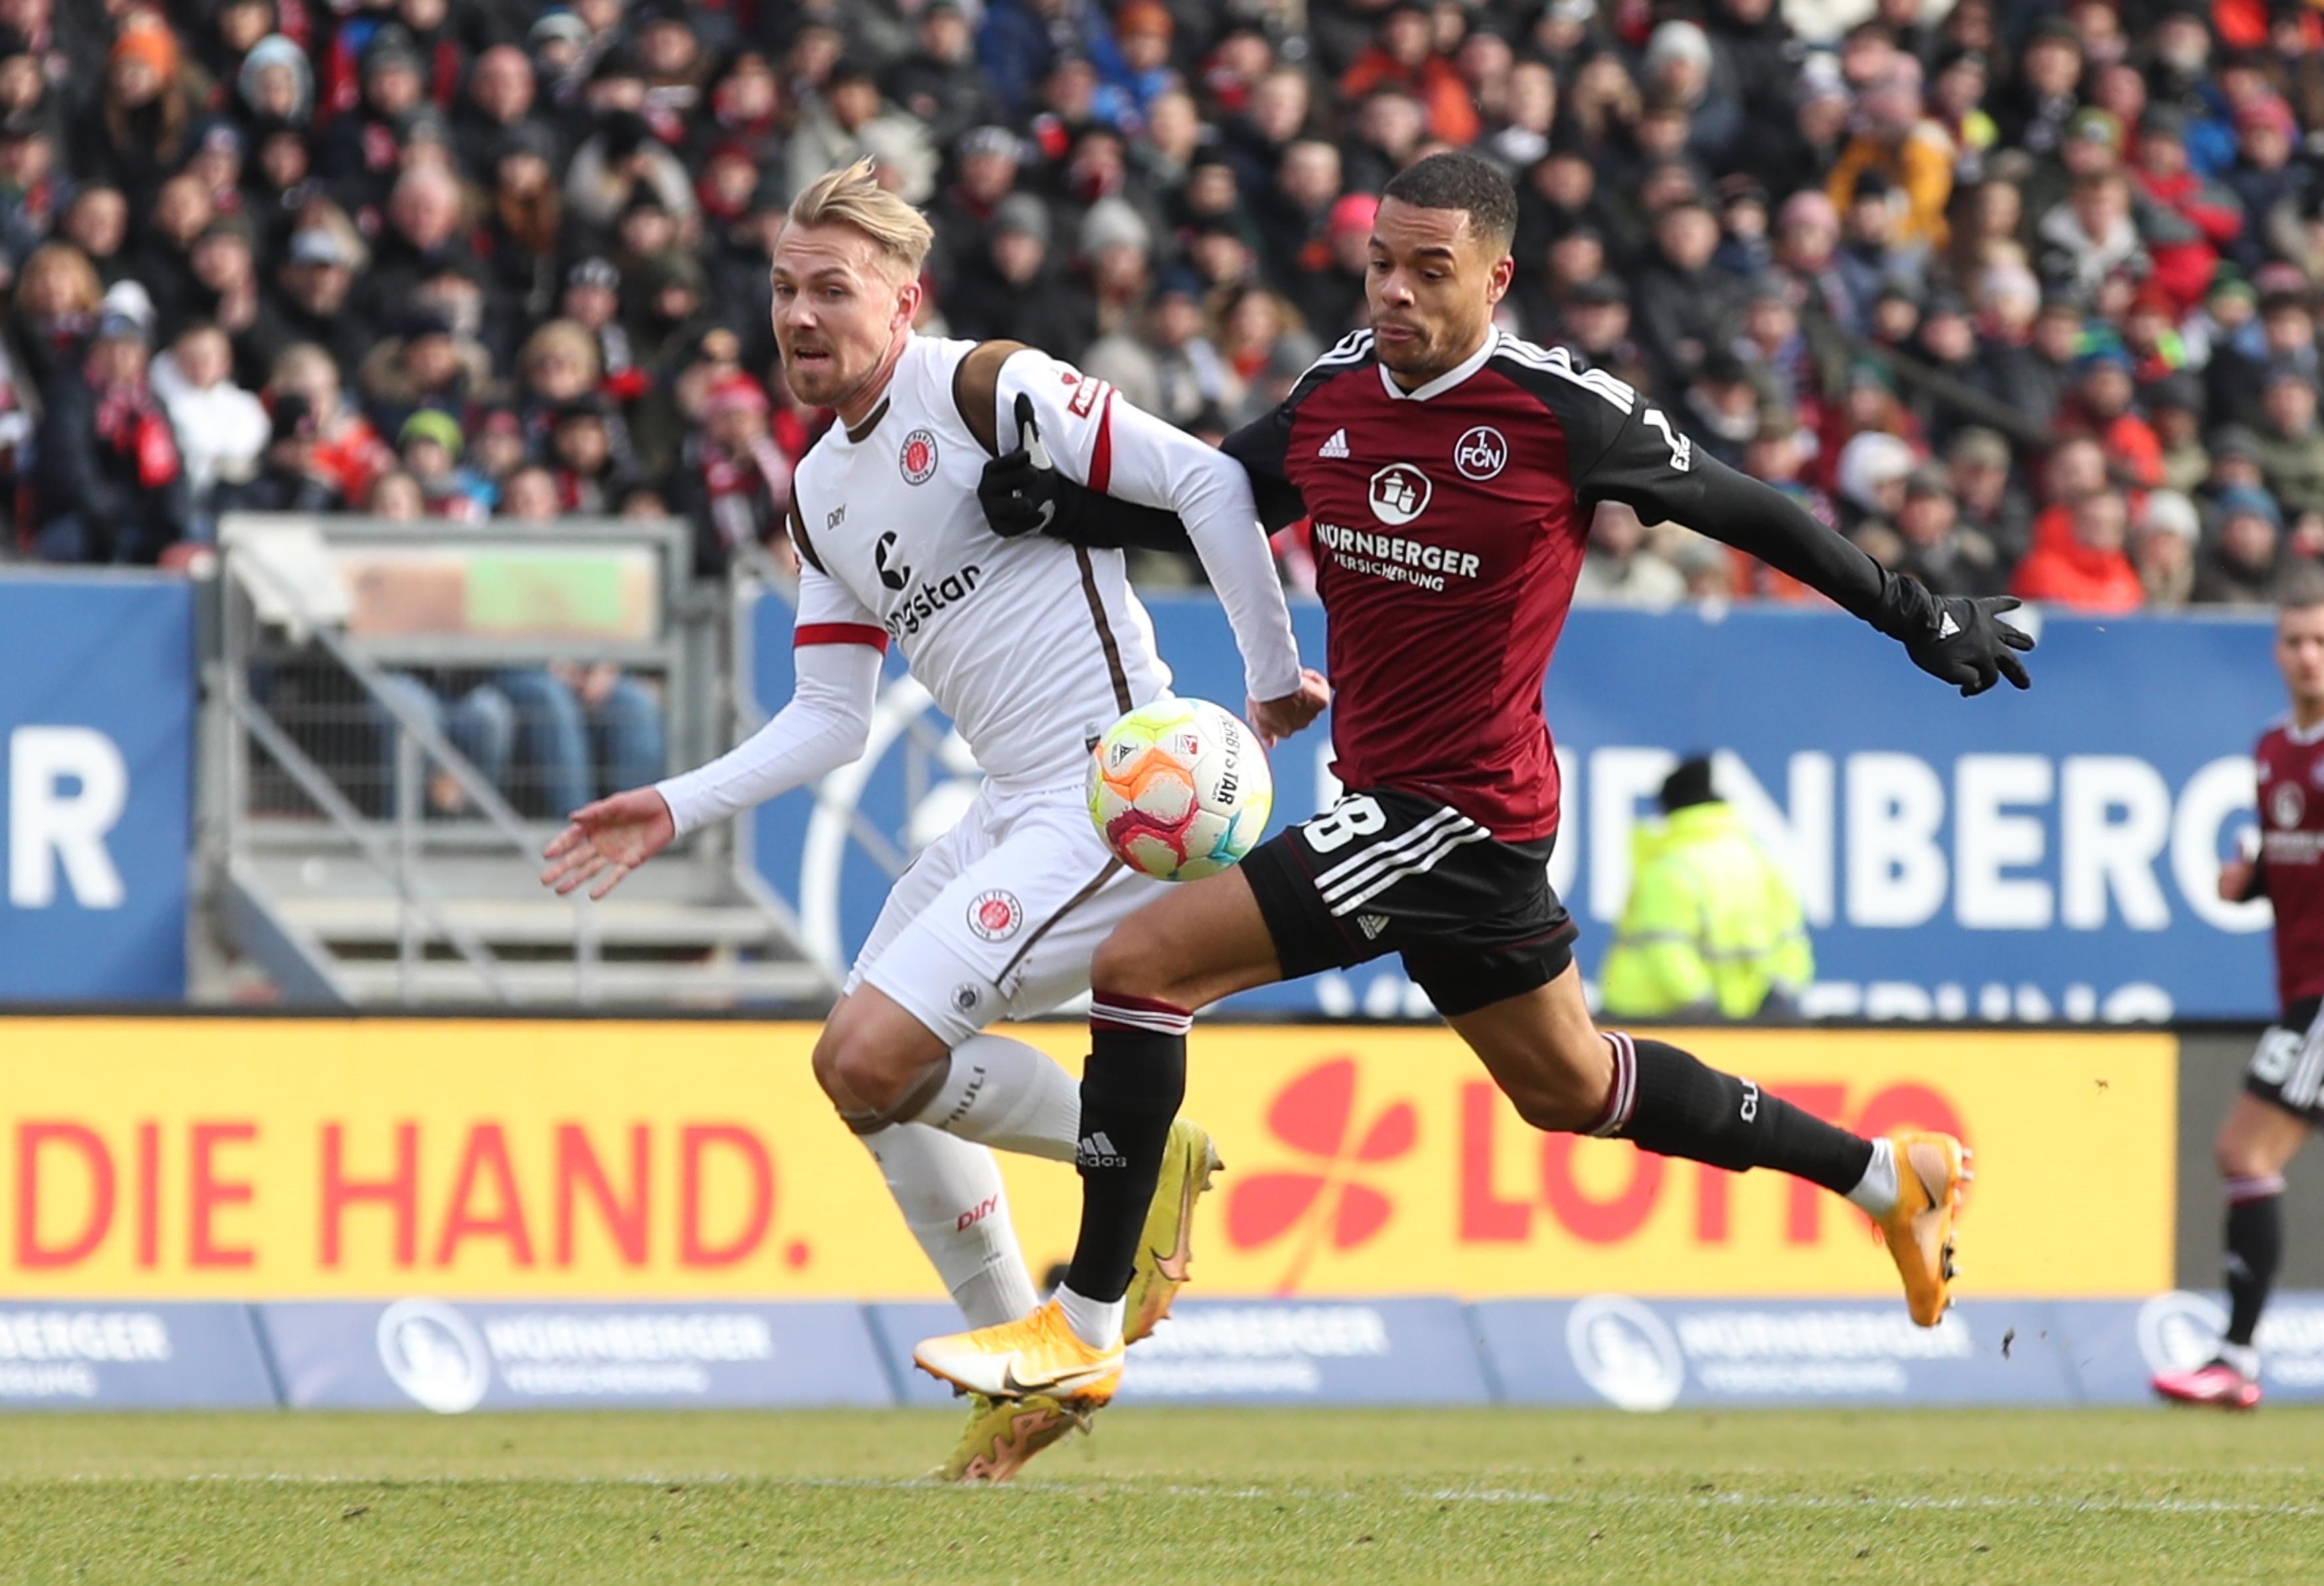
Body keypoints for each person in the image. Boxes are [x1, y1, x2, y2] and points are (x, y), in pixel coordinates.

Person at [930, 151, 2033, 1408]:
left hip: (1454, 815)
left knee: (1141, 967)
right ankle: (1895, 1176)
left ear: (1496, 278)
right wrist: (1064, 507)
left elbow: (1749, 511)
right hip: (1420, 810)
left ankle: (1081, 1323)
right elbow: (1211, 501)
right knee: (1573, 1084)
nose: (1392, 292)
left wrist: (1915, 613)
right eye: (1379, 264)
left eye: (1427, 271)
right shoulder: (1335, 389)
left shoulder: (1564, 412)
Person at [536, 162, 1325, 1482]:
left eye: (829, 289)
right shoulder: (815, 495)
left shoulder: (982, 386)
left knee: (867, 1054)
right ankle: (1020, 1368)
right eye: (783, 288)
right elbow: (829, 721)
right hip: (1009, 806)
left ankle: (1126, 1147)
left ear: (903, 301)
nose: (798, 314)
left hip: (1112, 795)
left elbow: (1205, 483)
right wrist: (671, 806)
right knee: (862, 1083)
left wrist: (1267, 673)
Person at [2155, 570, 2324, 1410]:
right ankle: (2236, 1358)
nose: (2308, 658)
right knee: (2246, 1156)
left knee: (2241, 1151)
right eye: (2296, 642)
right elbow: (2288, 862)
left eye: (2320, 643)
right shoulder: (2270, 750)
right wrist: (2246, 879)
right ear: (2275, 651)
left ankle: (2235, 1358)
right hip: (2298, 986)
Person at [1598, 756, 1815, 1020]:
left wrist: (1703, 1008)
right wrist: (1779, 998)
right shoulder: (1760, 861)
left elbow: (1667, 950)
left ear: (1668, 809)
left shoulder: (1669, 867)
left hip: (1648, 1017)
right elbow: (1792, 941)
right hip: (1742, 1020)